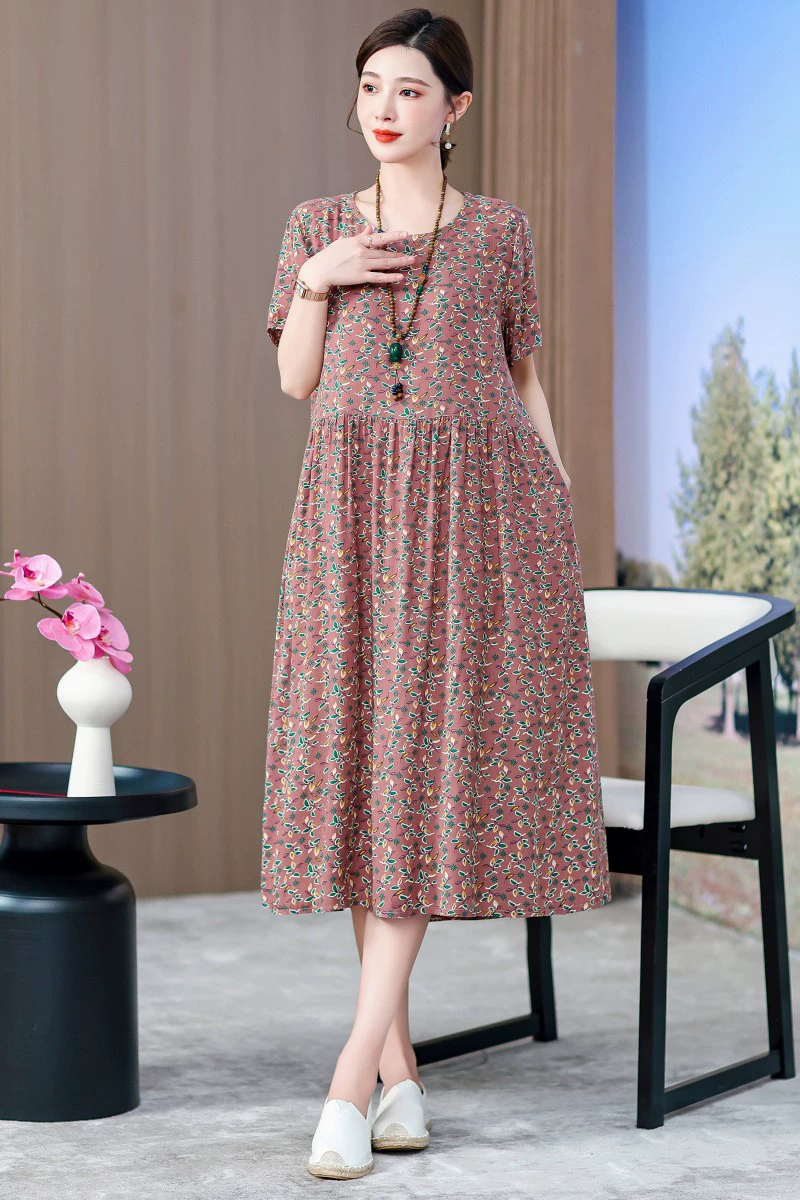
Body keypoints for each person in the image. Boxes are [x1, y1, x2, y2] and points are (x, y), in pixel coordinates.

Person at [261, 6, 612, 1180]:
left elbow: (523, 377)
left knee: (414, 779)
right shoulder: (314, 226)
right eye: (371, 85)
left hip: (472, 523)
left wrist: (553, 492)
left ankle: (347, 1081)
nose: (383, 107)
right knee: (369, 781)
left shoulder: (499, 231)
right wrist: (318, 281)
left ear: (453, 109)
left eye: (409, 89)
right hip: (349, 522)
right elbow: (296, 382)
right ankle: (400, 1077)